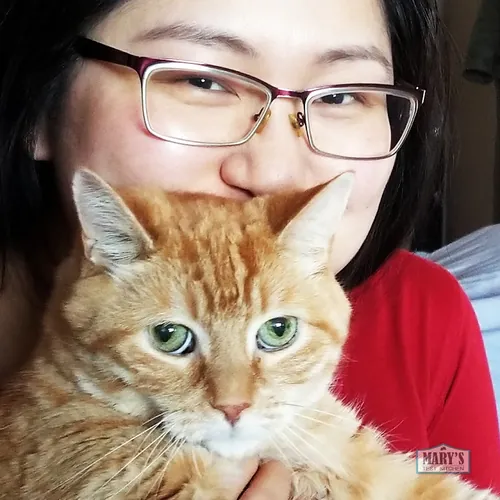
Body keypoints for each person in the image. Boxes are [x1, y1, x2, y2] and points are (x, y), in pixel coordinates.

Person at [0, 0, 499, 497]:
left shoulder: (430, 315)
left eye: (341, 95)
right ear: (37, 99)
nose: (277, 172)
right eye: (202, 80)